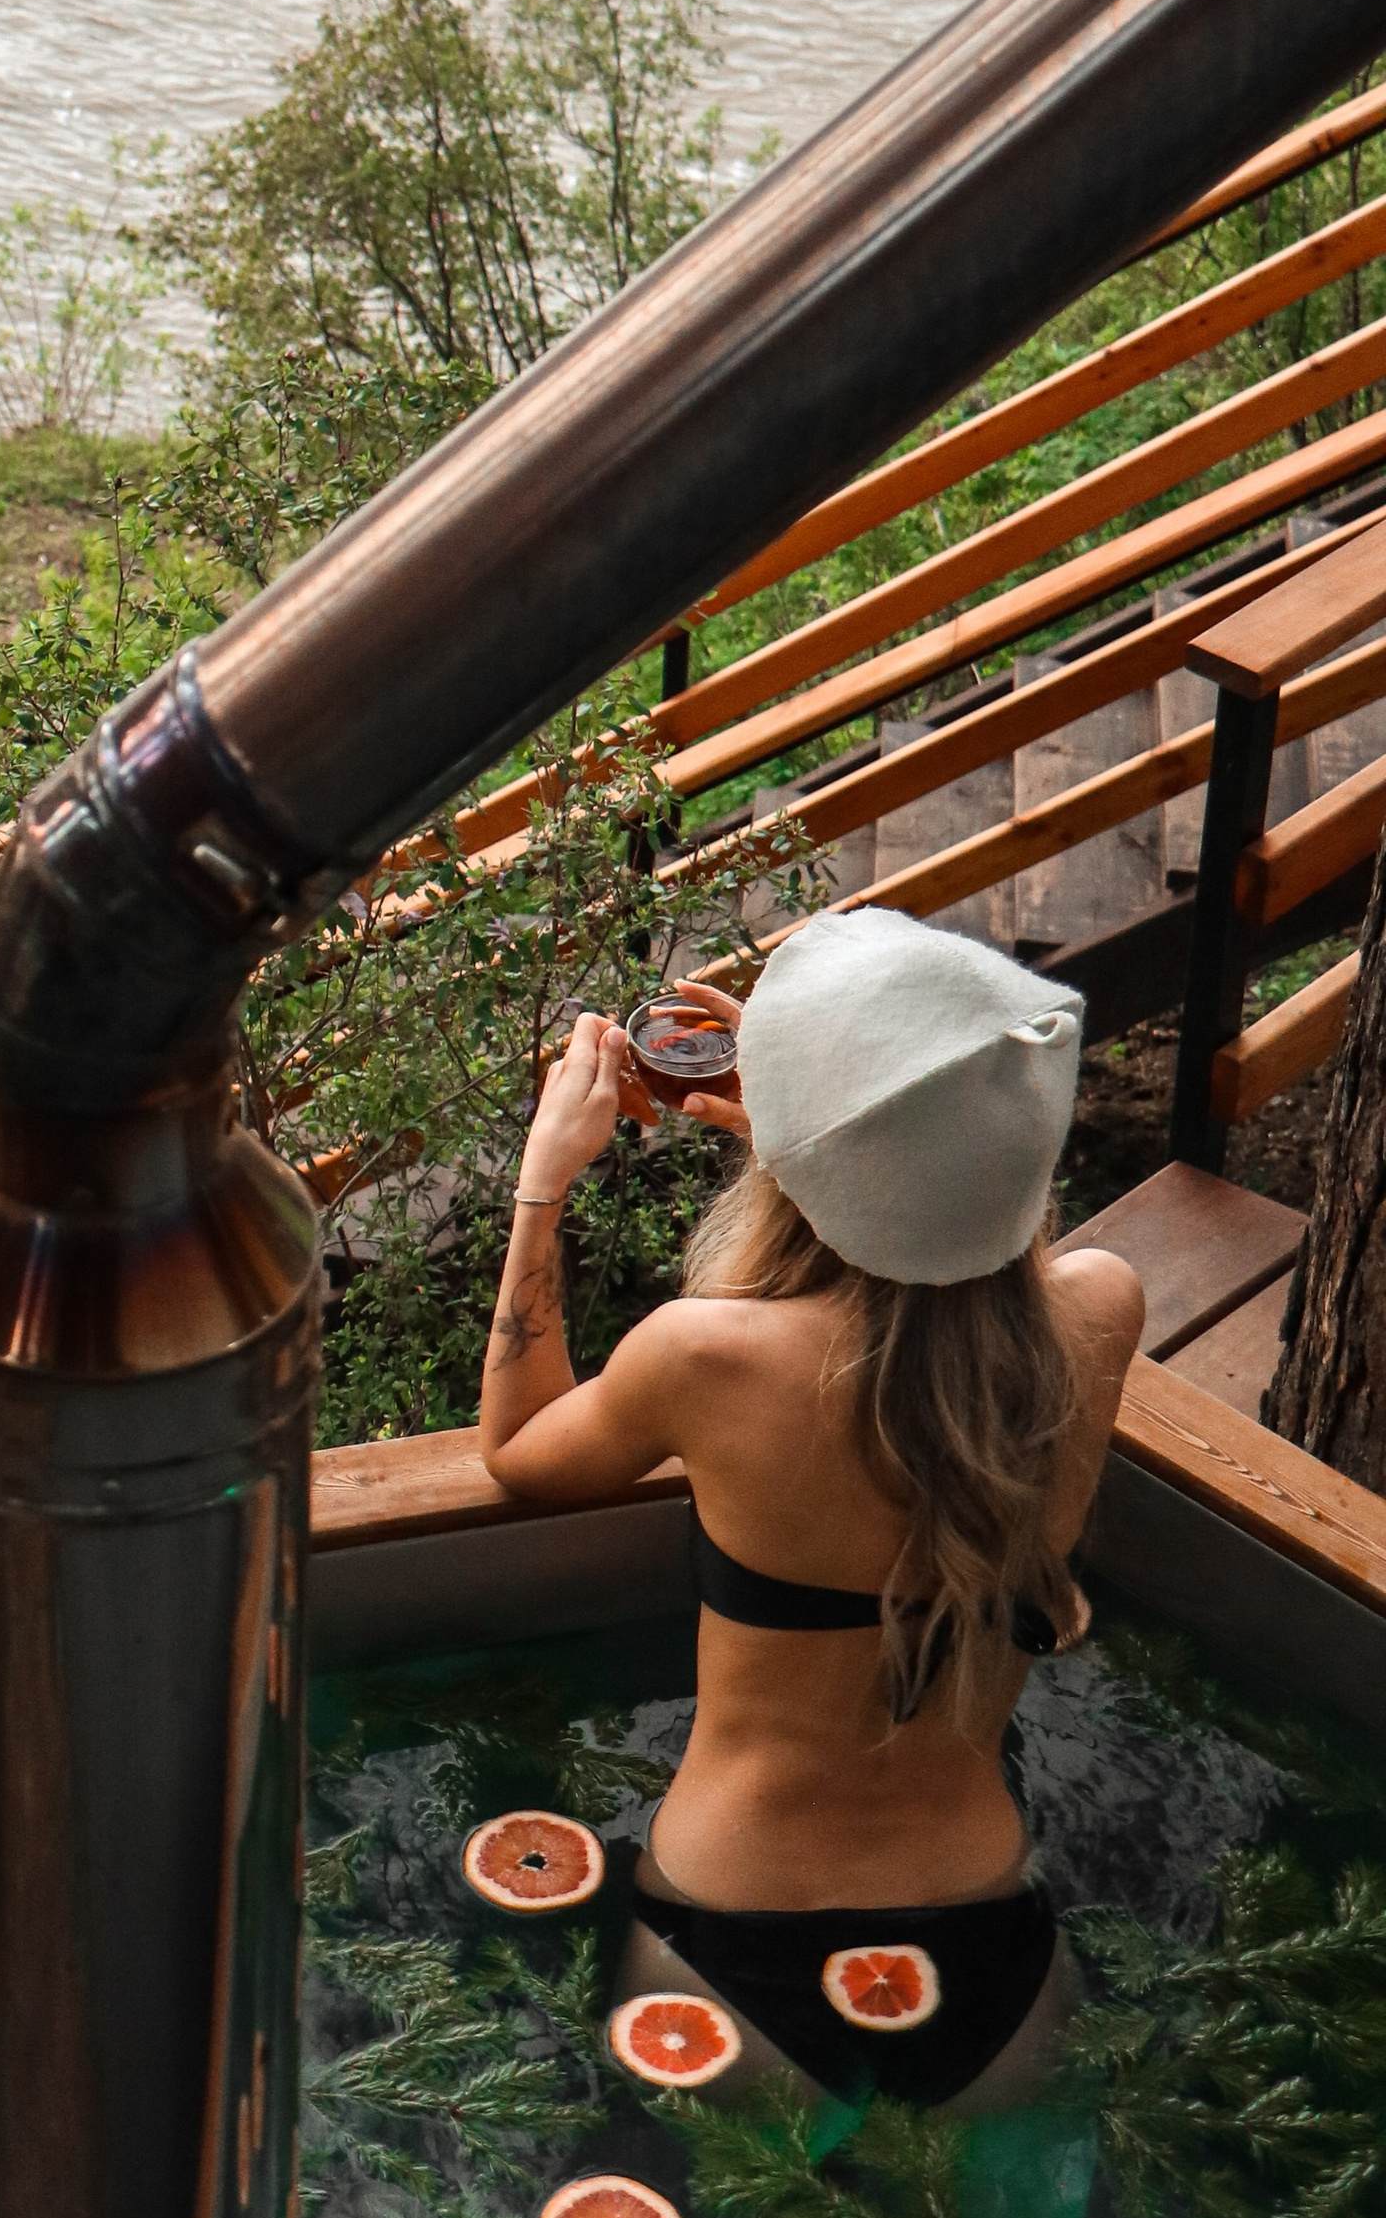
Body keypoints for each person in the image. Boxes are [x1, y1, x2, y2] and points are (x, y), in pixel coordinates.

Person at [477, 906, 1145, 2115]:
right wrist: (812, 1125)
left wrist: (542, 1186)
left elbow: (519, 1453)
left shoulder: (706, 1356)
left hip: (731, 1934)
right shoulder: (1099, 1311)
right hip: (992, 1923)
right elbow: (937, 1274)